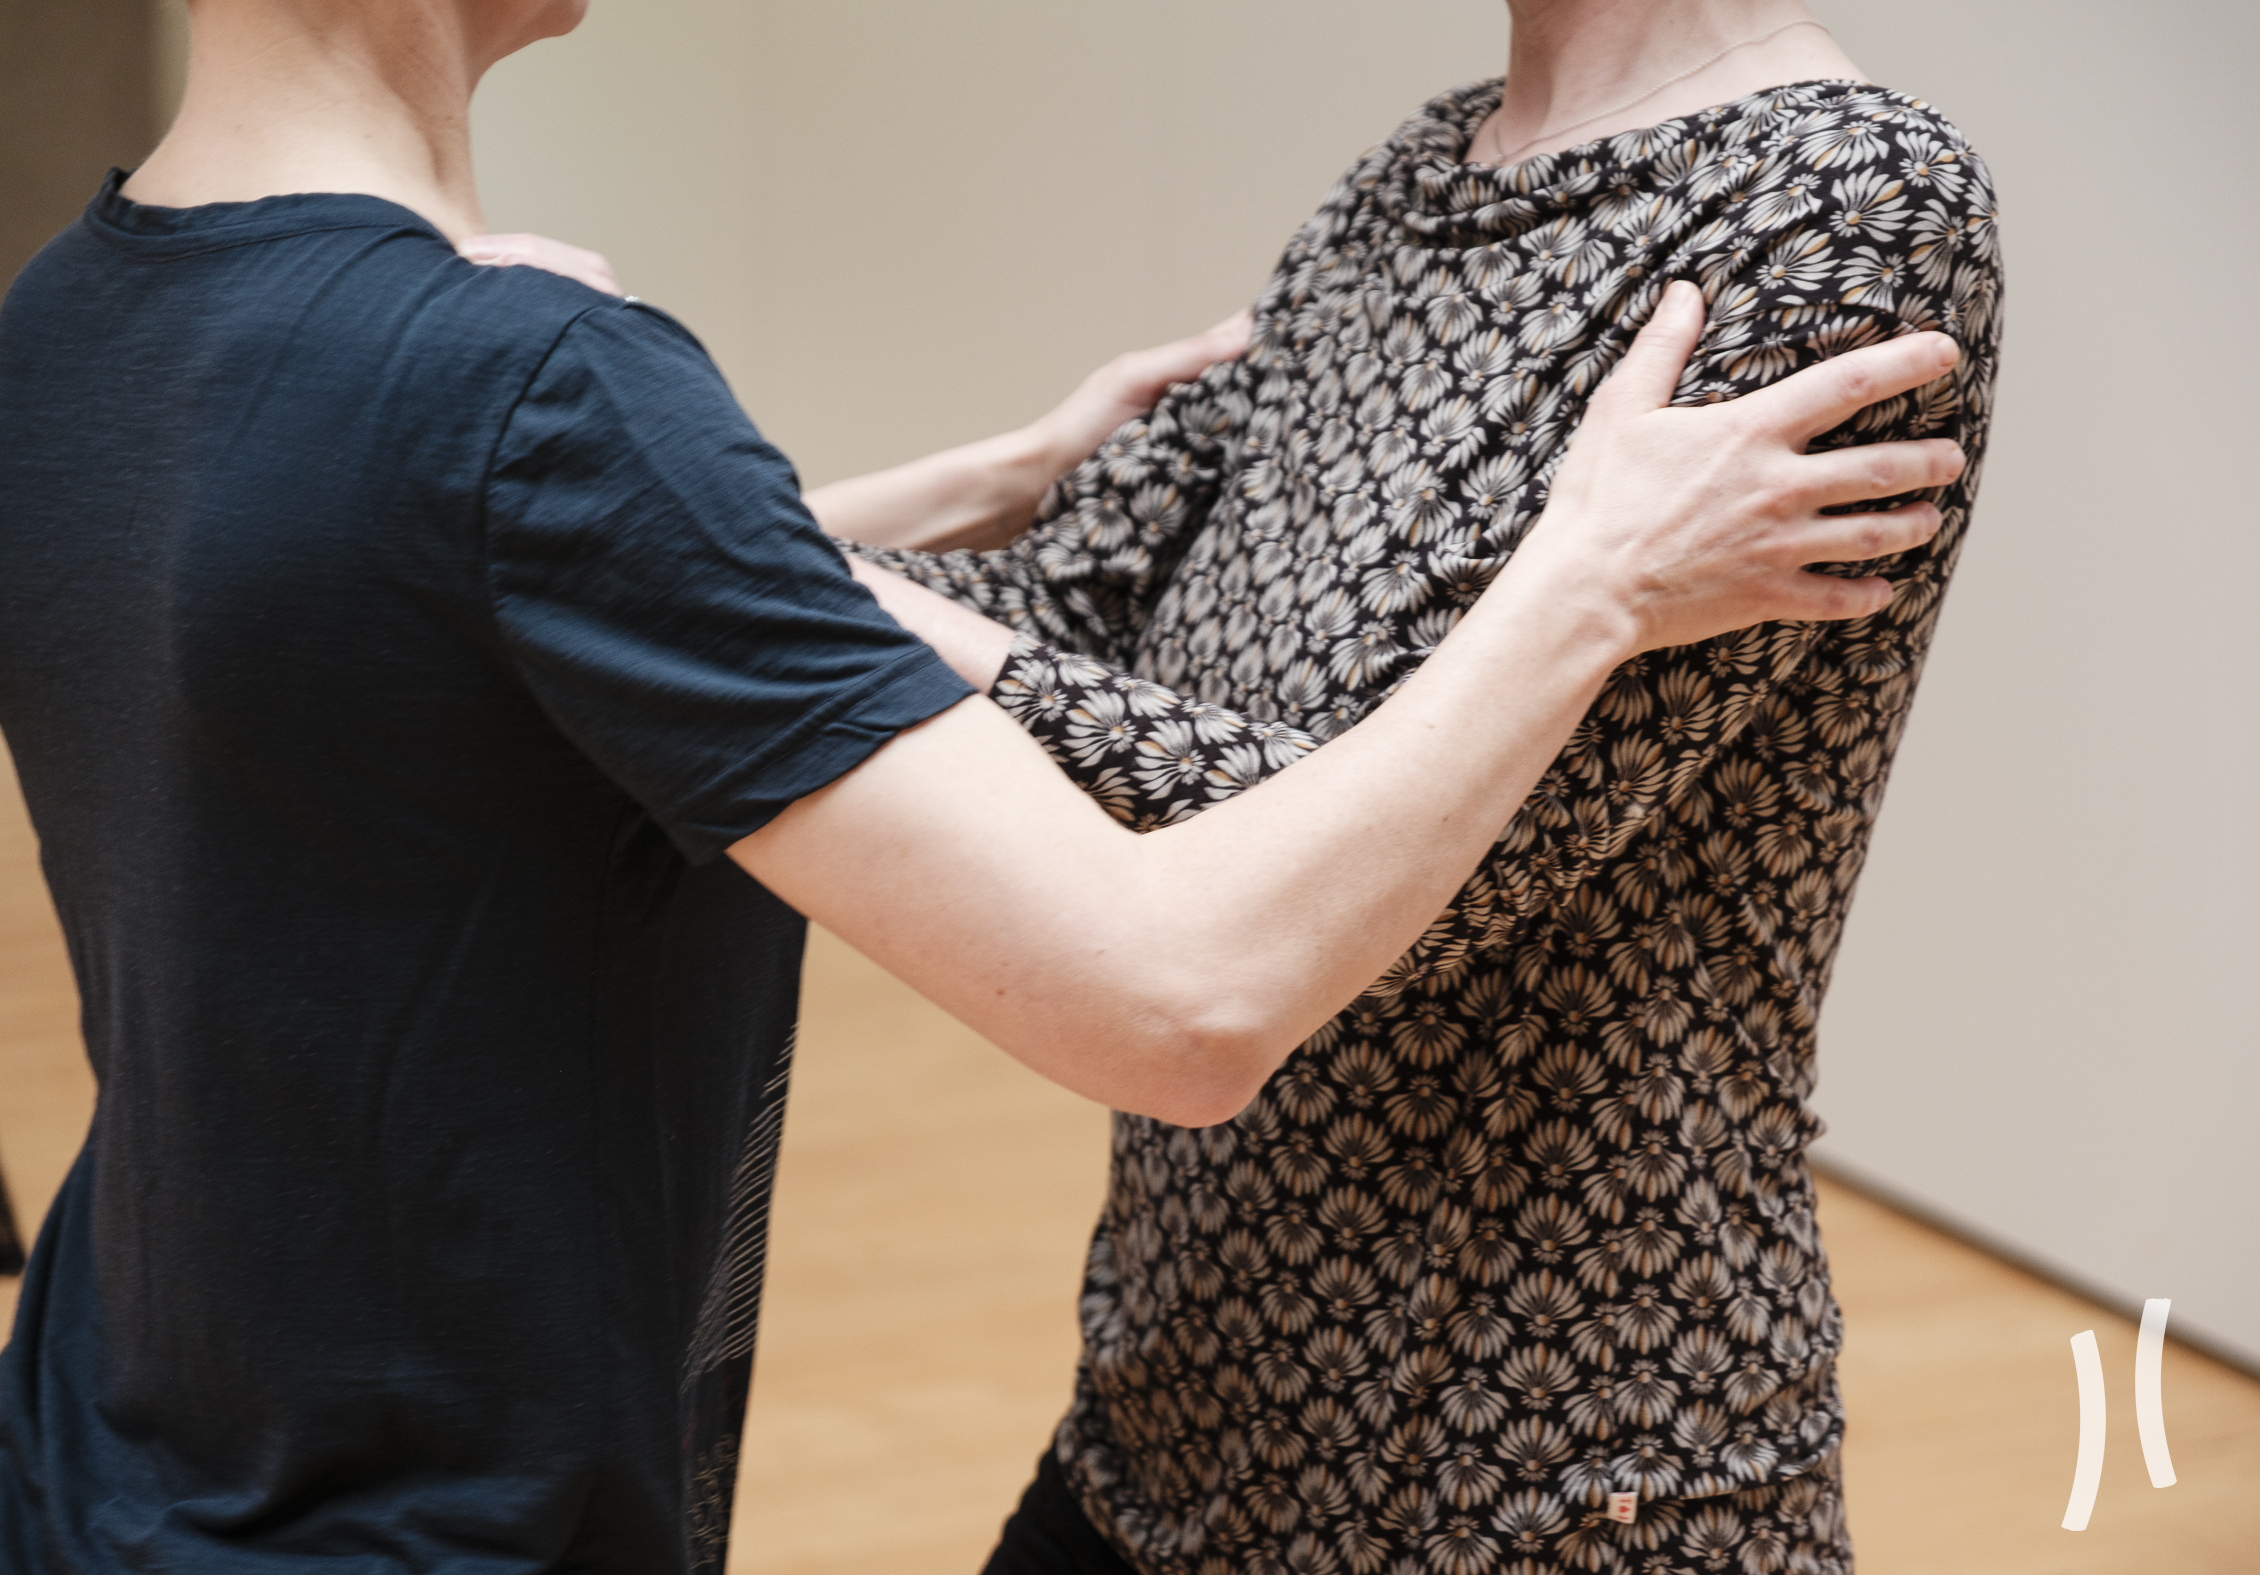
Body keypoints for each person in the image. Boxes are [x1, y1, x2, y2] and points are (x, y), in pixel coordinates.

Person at [0, 0, 1965, 1570]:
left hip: (79, 1484)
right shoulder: (525, 389)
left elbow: (470, 614)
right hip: (430, 1522)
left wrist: (877, 504)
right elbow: (1182, 988)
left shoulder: (73, 322)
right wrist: (1583, 582)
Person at [821, 3, 2002, 1572]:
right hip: (1177, 1419)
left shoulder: (1846, 199)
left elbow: (1370, 881)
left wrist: (668, 518)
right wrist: (662, 514)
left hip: (1550, 1476)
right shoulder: (1421, 170)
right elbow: (1071, 600)